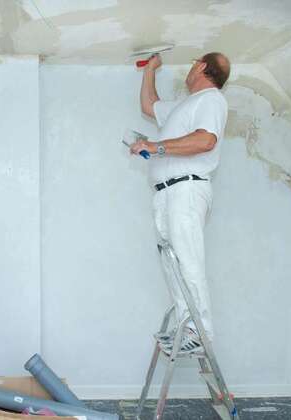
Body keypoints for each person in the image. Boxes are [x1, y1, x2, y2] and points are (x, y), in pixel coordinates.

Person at [130, 52, 230, 352]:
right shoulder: (185, 105)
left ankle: (201, 333)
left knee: (188, 260)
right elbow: (149, 106)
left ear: (201, 66)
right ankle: (187, 326)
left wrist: (156, 147)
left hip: (186, 189)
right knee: (172, 264)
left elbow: (205, 140)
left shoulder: (210, 100)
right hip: (167, 192)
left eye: (193, 63)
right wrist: (149, 69)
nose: (190, 67)